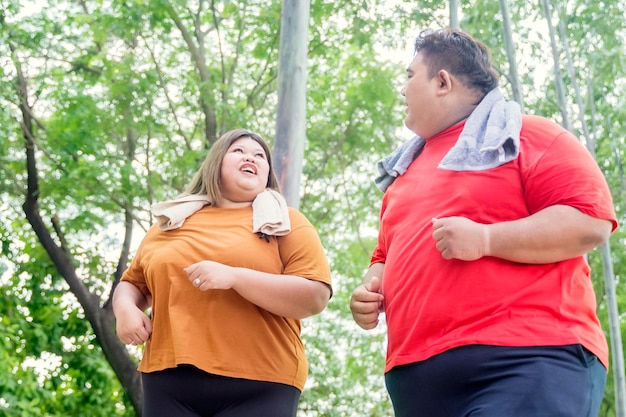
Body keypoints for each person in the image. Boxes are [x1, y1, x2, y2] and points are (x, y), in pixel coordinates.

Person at [350, 28, 617, 417]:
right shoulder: (401, 176)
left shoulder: (530, 134)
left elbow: (588, 220)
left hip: (525, 358)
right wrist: (368, 294)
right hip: (416, 380)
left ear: (442, 82)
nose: (403, 90)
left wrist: (487, 238)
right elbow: (384, 257)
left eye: (410, 76)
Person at [113, 128, 332, 417]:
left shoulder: (286, 222)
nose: (250, 157)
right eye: (239, 150)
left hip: (261, 381)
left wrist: (235, 277)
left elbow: (314, 296)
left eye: (260, 155)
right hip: (167, 380)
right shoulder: (169, 224)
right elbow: (133, 284)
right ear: (216, 162)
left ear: (267, 172)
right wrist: (125, 310)